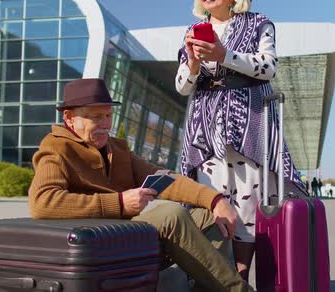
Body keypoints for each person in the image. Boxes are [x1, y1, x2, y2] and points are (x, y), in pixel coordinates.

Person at [28, 78, 253, 292]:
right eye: (95, 117)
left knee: (211, 217)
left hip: (125, 233)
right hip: (95, 238)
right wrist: (118, 203)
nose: (105, 124)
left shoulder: (117, 149)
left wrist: (215, 200)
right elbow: (42, 203)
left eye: (108, 115)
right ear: (69, 118)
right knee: (171, 215)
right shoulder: (55, 149)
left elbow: (164, 178)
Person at [175, 0, 308, 281]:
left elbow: (268, 67)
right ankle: (216, 278)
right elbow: (181, 86)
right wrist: (192, 64)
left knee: (247, 207)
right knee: (212, 202)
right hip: (205, 125)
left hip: (250, 121)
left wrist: (224, 55)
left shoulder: (260, 23)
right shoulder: (191, 33)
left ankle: (242, 277)